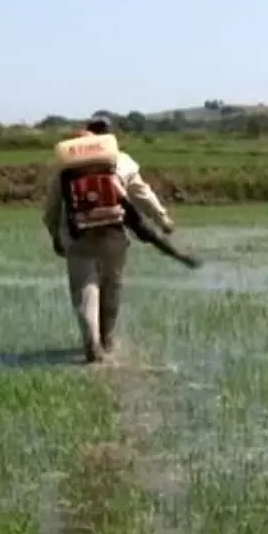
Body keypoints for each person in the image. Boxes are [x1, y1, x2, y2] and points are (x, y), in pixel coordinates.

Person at [42, 117, 176, 364]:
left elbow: (51, 207)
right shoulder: (121, 160)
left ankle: (91, 341)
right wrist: (163, 220)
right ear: (109, 137)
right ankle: (107, 340)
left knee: (85, 289)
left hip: (77, 235)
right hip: (113, 234)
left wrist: (54, 234)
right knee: (111, 287)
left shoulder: (68, 164)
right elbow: (143, 195)